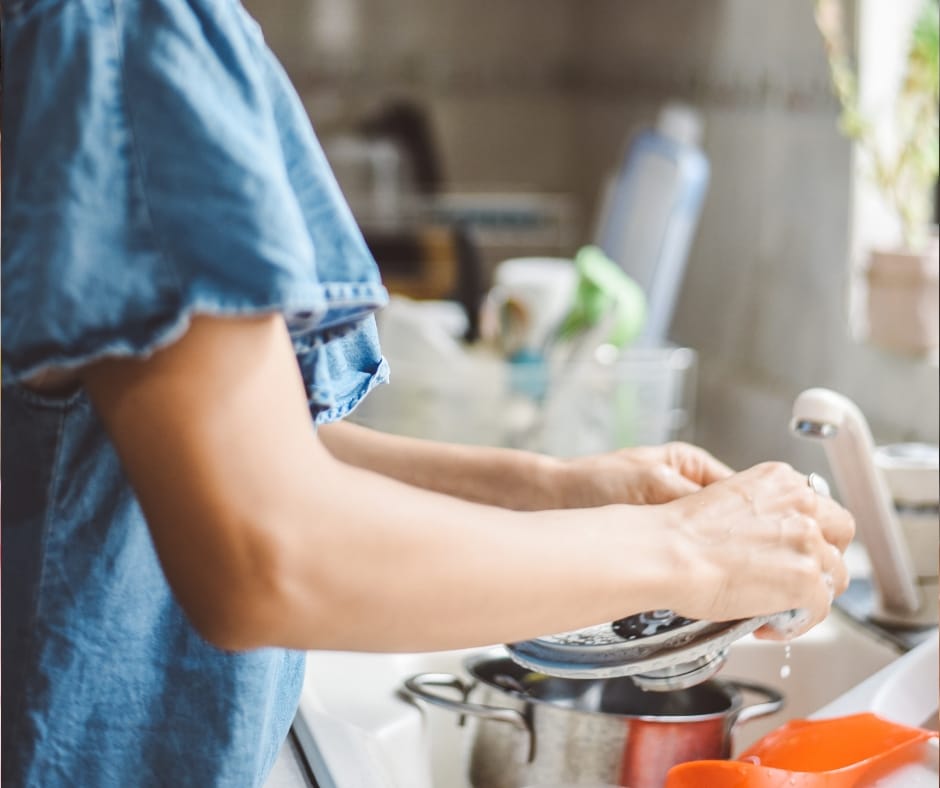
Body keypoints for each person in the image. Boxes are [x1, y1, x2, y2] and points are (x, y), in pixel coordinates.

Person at [0, 0, 855, 785]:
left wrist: (547, 493)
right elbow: (267, 554)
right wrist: (686, 548)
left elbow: (185, 443)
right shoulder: (121, 26)